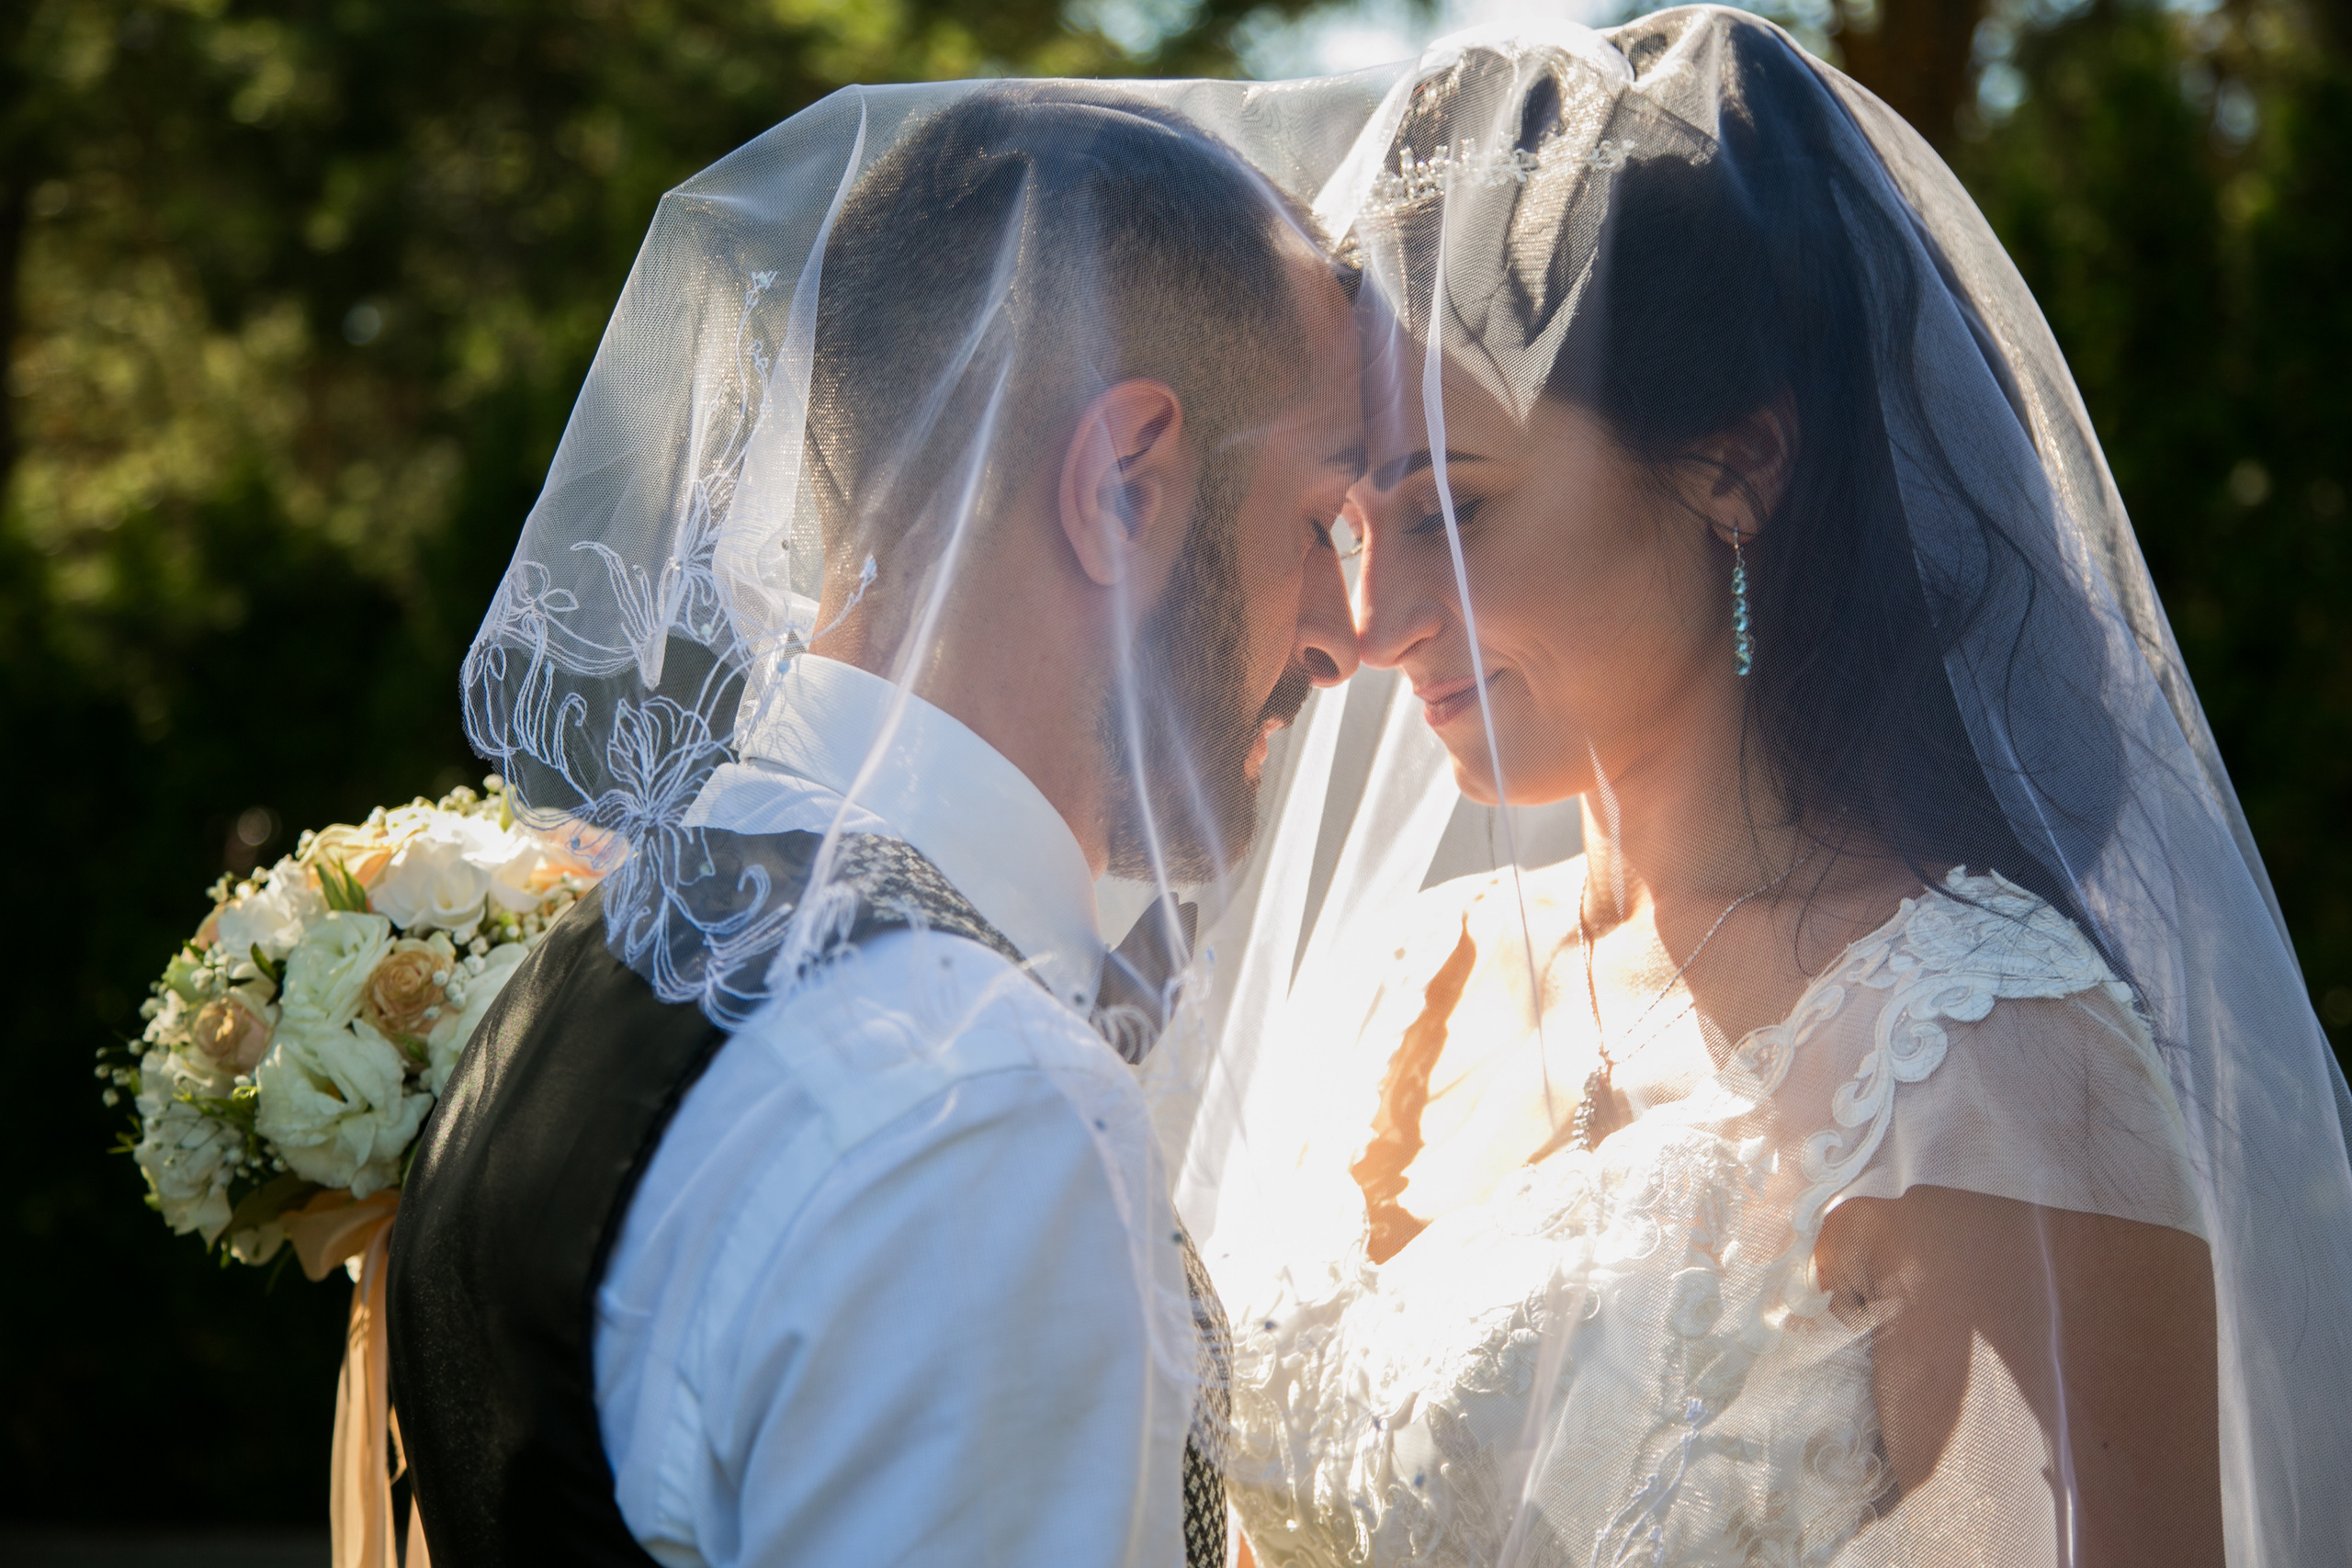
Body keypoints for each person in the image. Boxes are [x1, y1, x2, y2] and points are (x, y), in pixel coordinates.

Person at [1204, 11, 2352, 1567]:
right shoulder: (1390, 988)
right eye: (1356, 524)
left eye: (1452, 514)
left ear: (1736, 466)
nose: (1375, 617)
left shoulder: (1991, 1064)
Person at [385, 83, 1365, 1567]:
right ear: (1120, 488)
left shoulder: (608, 956)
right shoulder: (965, 1102)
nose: (1348, 633)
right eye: (1318, 525)